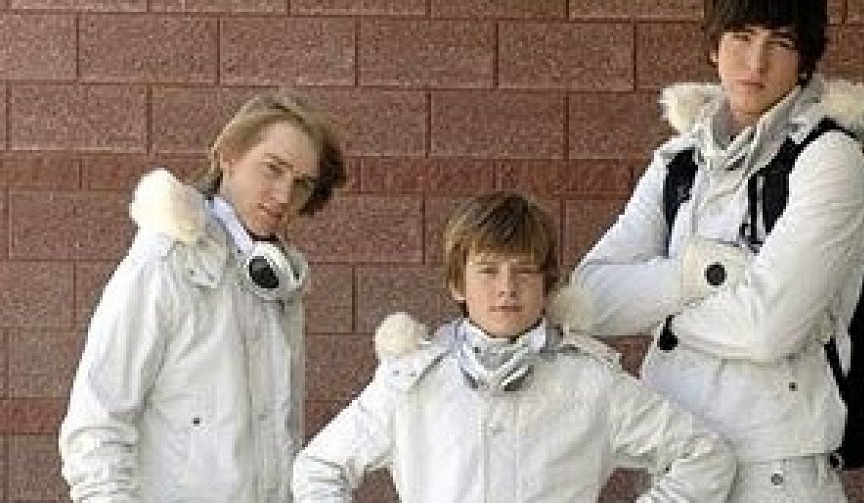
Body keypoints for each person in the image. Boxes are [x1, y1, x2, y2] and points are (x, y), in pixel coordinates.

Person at [564, 0, 864, 501]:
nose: (755, 61)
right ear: (714, 46)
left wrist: (659, 316)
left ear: (805, 61)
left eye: (780, 43)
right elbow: (588, 297)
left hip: (774, 474)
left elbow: (767, 329)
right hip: (675, 465)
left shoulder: (829, 159)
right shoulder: (680, 162)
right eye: (741, 37)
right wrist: (702, 274)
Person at [292, 191, 737, 502]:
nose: (507, 288)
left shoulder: (590, 382)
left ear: (547, 283)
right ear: (457, 283)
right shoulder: (411, 381)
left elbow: (704, 456)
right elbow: (319, 468)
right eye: (488, 271)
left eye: (523, 271)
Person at [59, 90, 348, 502]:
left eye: (301, 183)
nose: (284, 195)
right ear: (228, 155)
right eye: (273, 169)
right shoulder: (162, 266)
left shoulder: (278, 283)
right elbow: (95, 430)